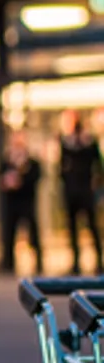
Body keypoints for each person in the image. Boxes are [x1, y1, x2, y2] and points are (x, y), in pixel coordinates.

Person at [59, 110, 102, 275]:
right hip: (72, 192)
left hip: (86, 191)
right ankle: (75, 262)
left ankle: (99, 261)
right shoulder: (65, 143)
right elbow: (62, 168)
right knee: (72, 229)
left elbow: (97, 165)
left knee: (92, 227)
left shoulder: (89, 143)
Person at [0, 131, 43, 275]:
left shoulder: (31, 162)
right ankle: (8, 263)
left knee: (32, 233)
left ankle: (38, 263)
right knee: (10, 233)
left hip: (27, 201)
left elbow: (37, 177)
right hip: (12, 203)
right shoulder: (7, 161)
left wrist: (21, 180)